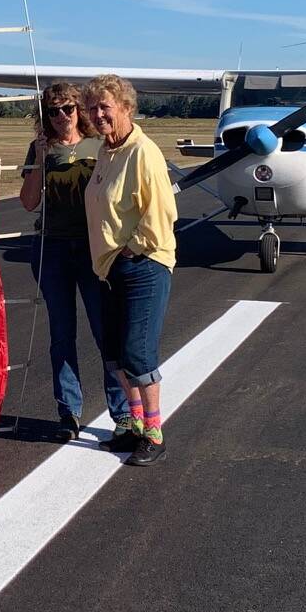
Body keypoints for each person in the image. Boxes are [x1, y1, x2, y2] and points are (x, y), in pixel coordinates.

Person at [19, 81, 129, 443]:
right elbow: (29, 202)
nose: (61, 117)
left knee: (105, 331)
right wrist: (37, 157)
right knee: (61, 335)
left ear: (78, 109)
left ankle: (123, 413)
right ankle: (68, 412)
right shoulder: (41, 149)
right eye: (53, 111)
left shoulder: (100, 144)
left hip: (94, 248)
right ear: (45, 116)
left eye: (67, 108)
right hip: (52, 248)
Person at [83, 73, 177, 467]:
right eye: (92, 108)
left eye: (105, 106)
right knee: (113, 354)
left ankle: (155, 433)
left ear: (125, 107)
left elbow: (161, 215)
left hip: (142, 265)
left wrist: (129, 252)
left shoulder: (143, 152)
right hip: (108, 270)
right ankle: (135, 427)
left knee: (137, 354)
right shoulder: (107, 151)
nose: (98, 115)